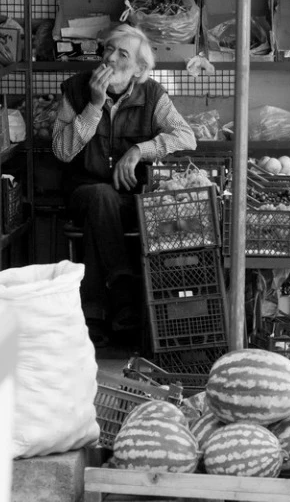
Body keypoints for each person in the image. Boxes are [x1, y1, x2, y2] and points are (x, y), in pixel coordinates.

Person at [52, 24, 196, 344]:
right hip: (84, 192)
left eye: (122, 54)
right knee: (100, 197)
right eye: (108, 49)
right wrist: (93, 105)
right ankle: (123, 289)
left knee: (100, 221)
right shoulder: (76, 89)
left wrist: (139, 150)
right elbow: (61, 151)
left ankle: (95, 315)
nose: (110, 58)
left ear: (139, 69)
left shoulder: (152, 95)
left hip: (131, 198)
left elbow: (186, 137)